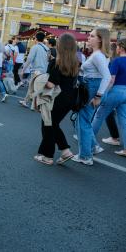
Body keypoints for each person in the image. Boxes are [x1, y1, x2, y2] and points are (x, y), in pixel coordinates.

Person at [33, 33, 79, 165]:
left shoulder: (56, 62)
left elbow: (51, 84)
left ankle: (48, 156)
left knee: (47, 125)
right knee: (54, 124)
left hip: (56, 99)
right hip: (70, 99)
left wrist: (39, 77)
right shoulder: (75, 62)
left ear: (60, 46)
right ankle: (65, 151)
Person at [72, 28, 112, 166]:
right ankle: (94, 147)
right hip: (94, 87)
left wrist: (98, 95)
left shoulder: (97, 56)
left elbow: (106, 76)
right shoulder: (99, 54)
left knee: (82, 121)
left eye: (92, 36)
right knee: (85, 120)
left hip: (93, 88)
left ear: (100, 39)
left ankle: (85, 156)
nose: (88, 38)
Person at [91, 38, 126, 157]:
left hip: (116, 91)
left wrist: (101, 94)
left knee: (99, 115)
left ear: (120, 47)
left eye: (117, 46)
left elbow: (111, 80)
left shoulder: (117, 61)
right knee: (123, 121)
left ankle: (88, 140)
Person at [19, 32, 50, 108]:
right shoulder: (47, 49)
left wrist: (23, 69)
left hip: (36, 70)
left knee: (32, 87)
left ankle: (33, 103)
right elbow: (48, 60)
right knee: (35, 87)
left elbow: (29, 59)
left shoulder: (35, 47)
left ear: (36, 38)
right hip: (44, 70)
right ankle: (27, 101)